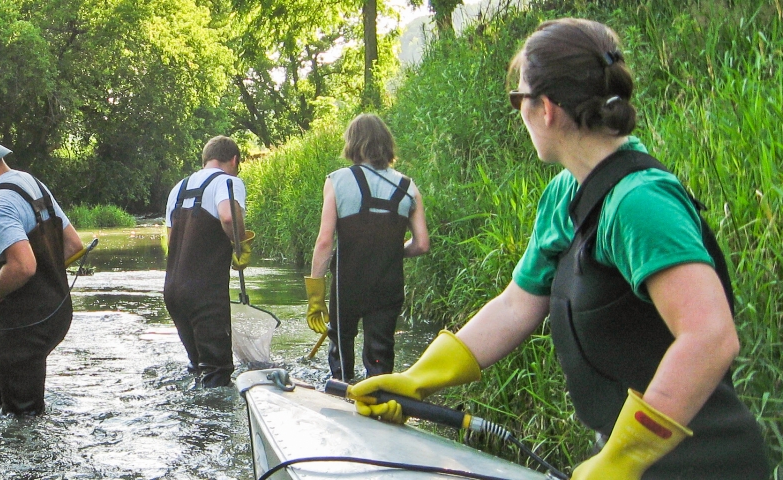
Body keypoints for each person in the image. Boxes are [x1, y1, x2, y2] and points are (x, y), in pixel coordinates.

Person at [348, 19, 770, 478]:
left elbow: (710, 336)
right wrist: (418, 380)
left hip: (705, 465)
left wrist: (620, 459)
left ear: (545, 108)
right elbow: (515, 306)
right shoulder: (565, 195)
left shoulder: (639, 202)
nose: (518, 112)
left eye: (518, 99)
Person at [0, 125, 85, 416]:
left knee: (22, 416)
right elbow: (73, 245)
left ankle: (29, 459)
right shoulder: (31, 182)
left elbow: (23, 266)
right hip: (57, 312)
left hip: (26, 323)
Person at [306, 114, 430, 382]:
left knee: (341, 352)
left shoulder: (337, 180)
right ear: (386, 144)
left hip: (348, 283)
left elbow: (325, 241)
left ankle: (341, 391)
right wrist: (396, 252)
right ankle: (379, 401)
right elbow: (422, 244)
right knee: (380, 355)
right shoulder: (409, 188)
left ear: (353, 144)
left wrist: (315, 293)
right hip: (388, 283)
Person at [162, 135, 253, 388]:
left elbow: (171, 241)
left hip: (173, 292)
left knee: (198, 367)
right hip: (205, 295)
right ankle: (212, 427)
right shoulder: (228, 181)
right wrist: (240, 242)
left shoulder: (177, 189)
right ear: (234, 160)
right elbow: (227, 217)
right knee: (217, 373)